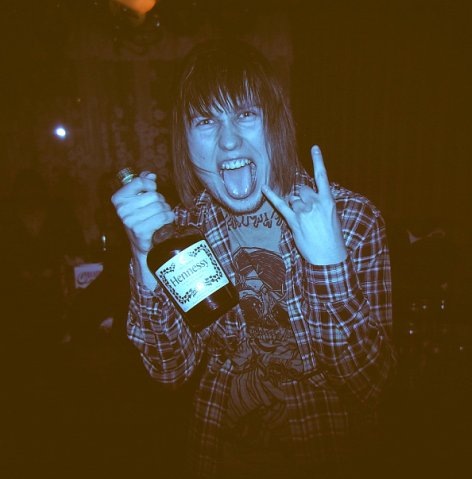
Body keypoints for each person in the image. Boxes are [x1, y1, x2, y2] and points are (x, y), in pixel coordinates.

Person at [112, 38, 396, 478]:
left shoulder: (352, 219)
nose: (228, 141)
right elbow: (170, 370)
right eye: (206, 121)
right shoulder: (186, 233)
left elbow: (371, 384)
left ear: (274, 123)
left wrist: (329, 266)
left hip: (327, 452)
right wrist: (144, 255)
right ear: (185, 141)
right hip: (217, 454)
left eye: (245, 114)